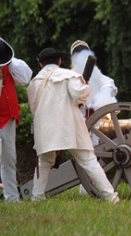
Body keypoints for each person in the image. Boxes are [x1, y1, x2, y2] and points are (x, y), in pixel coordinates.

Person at [26, 47, 119, 203]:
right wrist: (85, 86)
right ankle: (111, 197)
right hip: (70, 125)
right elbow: (80, 96)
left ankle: (37, 198)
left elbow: (34, 107)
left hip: (46, 128)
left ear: (41, 64)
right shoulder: (69, 76)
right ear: (60, 61)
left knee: (44, 163)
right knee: (89, 161)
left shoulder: (33, 84)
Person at [0, 35, 32, 202]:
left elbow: (25, 78)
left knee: (9, 159)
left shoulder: (9, 64)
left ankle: (12, 198)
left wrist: (11, 62)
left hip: (8, 117)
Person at [70, 40, 118, 194]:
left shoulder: (97, 75)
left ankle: (91, 188)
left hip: (96, 123)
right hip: (79, 121)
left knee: (94, 157)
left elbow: (110, 86)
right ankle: (85, 189)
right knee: (85, 158)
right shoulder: (70, 76)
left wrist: (101, 100)